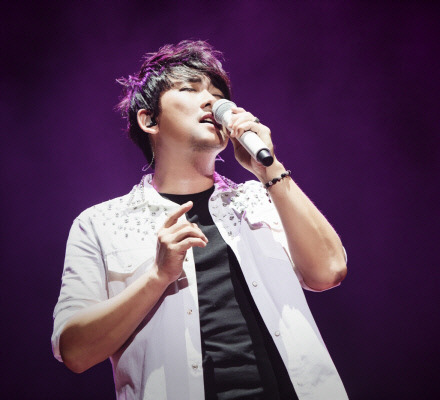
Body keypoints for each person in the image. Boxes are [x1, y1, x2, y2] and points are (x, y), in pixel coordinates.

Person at [51, 39, 349, 400]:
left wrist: (269, 171)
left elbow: (329, 270)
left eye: (218, 94)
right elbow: (75, 351)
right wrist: (158, 276)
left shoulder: (260, 197)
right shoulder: (101, 223)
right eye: (190, 89)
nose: (212, 101)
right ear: (149, 120)